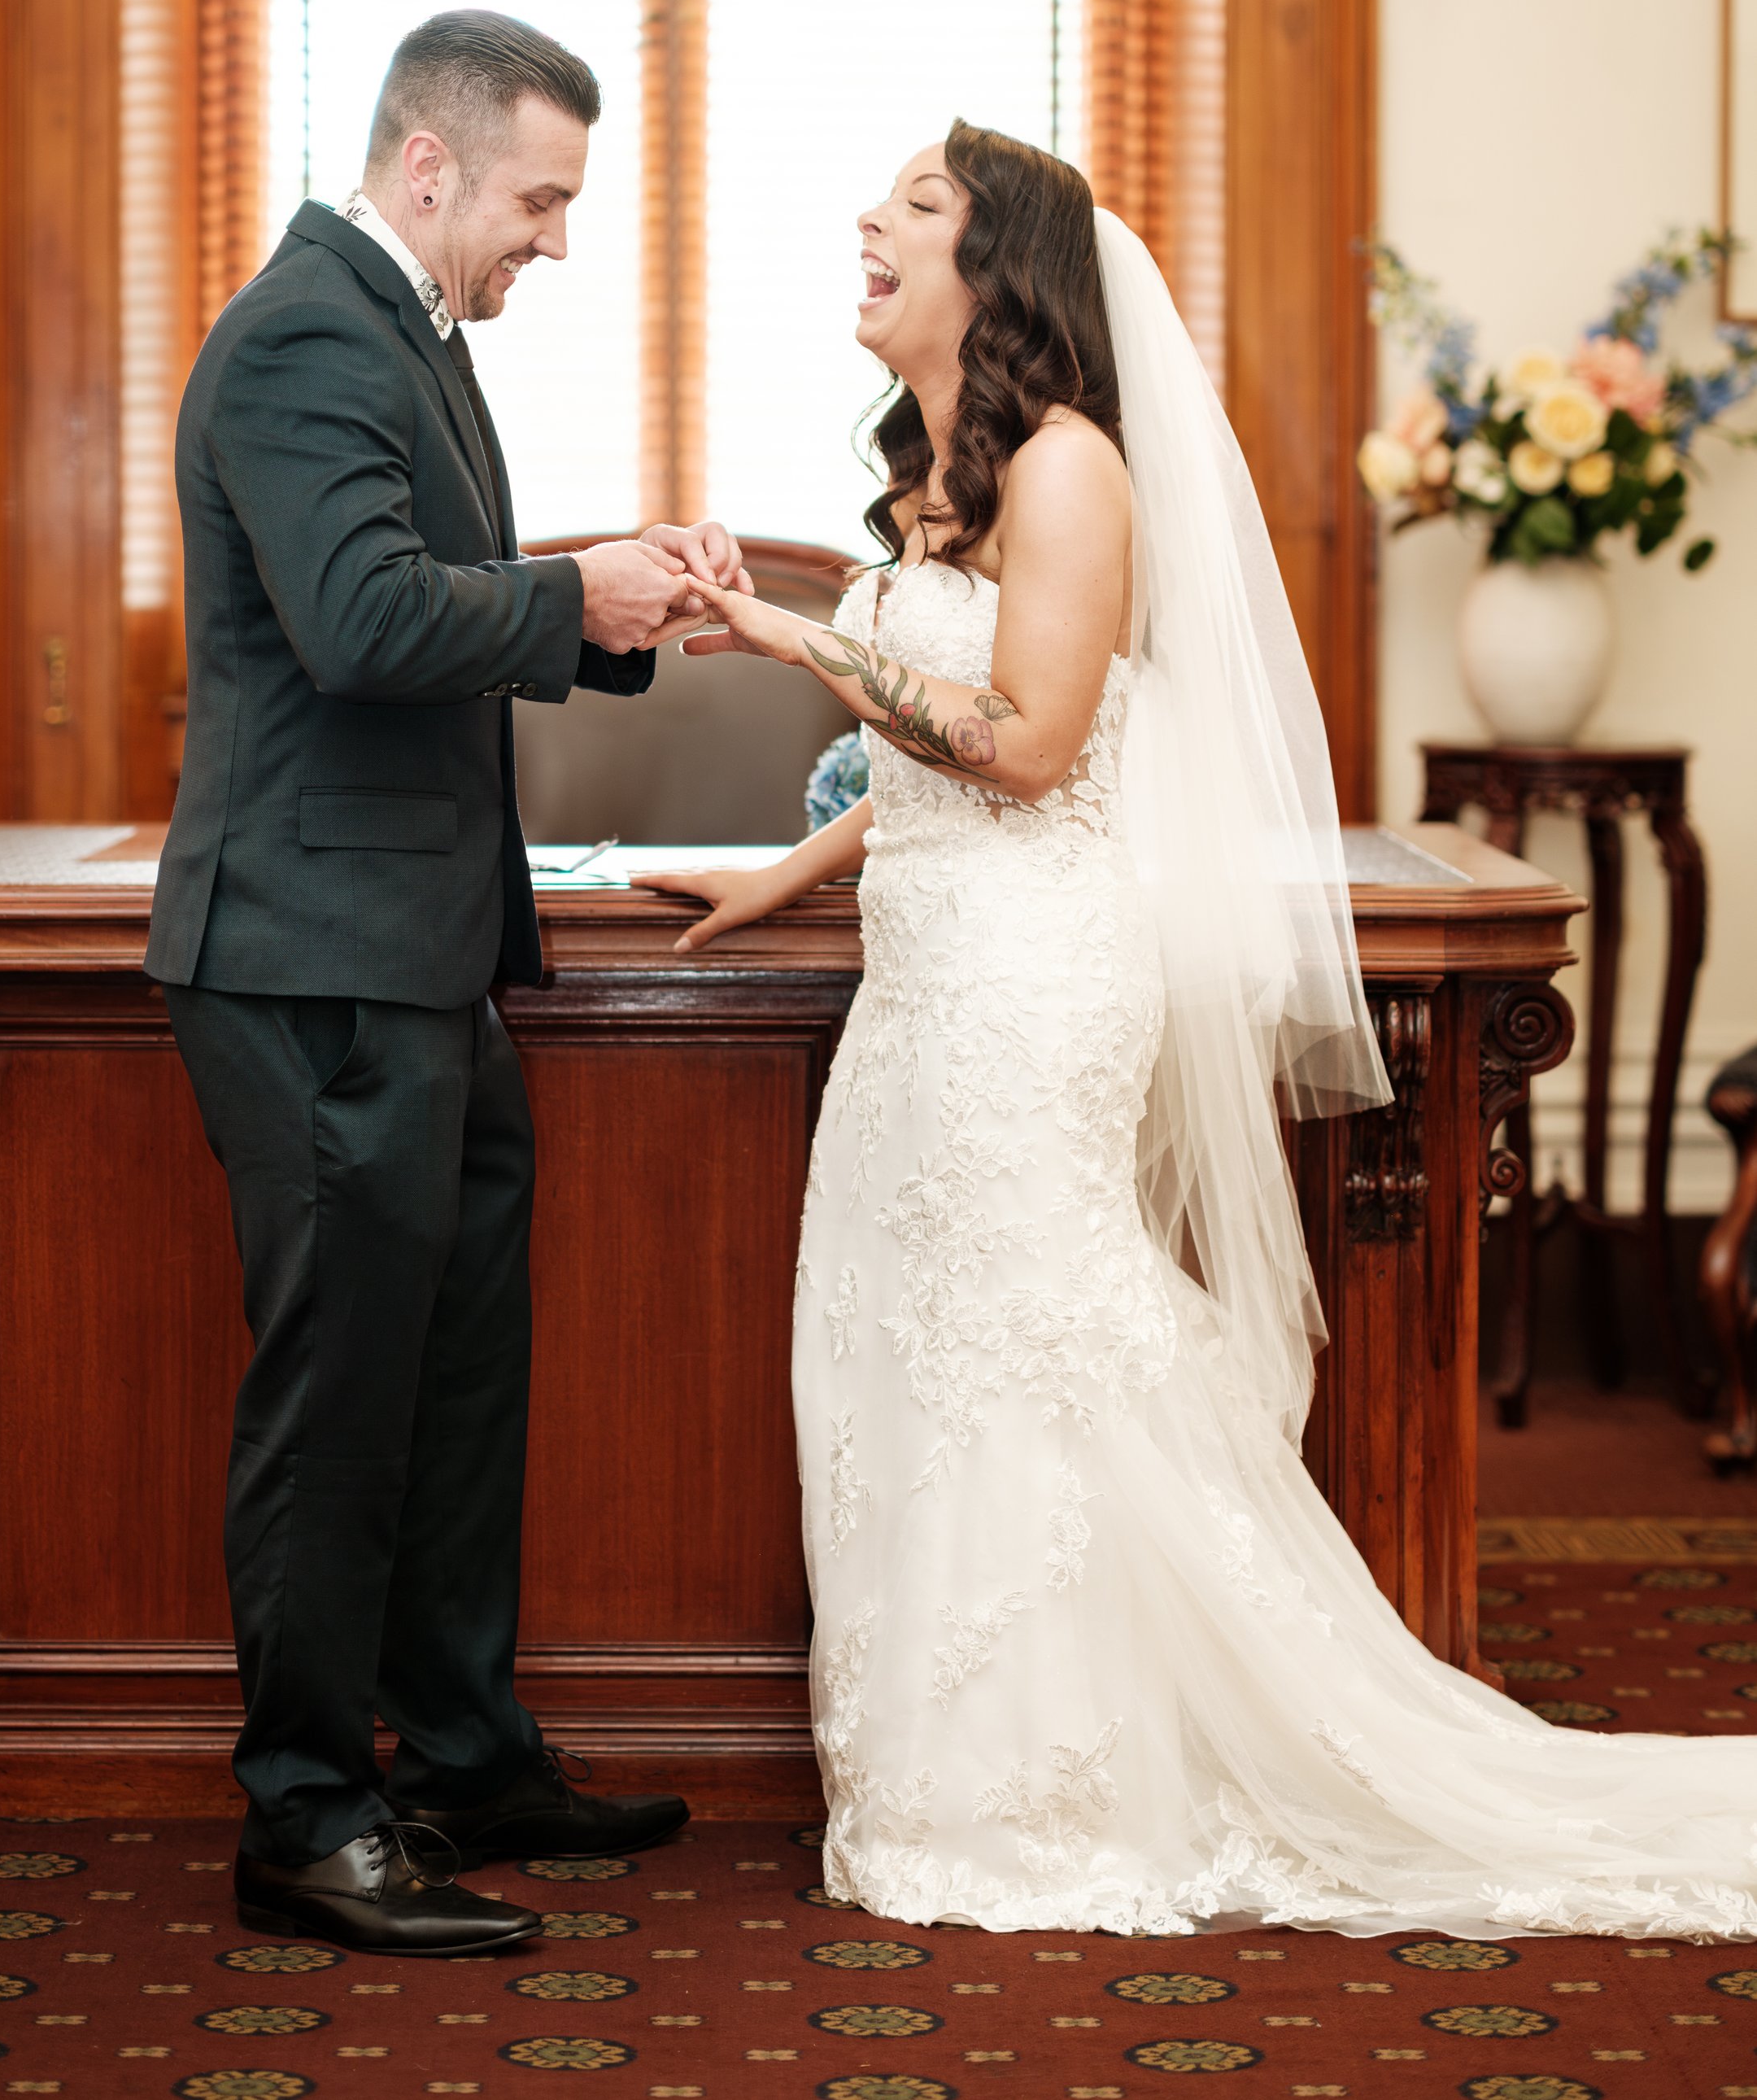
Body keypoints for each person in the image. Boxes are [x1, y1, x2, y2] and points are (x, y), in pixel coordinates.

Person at [634, 120, 1757, 1938]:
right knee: (907, 1346)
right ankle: (948, 1776)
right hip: (925, 984)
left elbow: (1030, 745)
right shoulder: (935, 478)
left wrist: (788, 637)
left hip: (1029, 986)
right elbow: (930, 765)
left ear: (998, 268)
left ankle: (1070, 1789)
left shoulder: (1071, 466)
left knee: (1029, 1346)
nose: (868, 220)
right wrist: (785, 873)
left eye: (914, 205)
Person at [148, 9, 741, 1955]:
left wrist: (611, 591)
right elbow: (356, 618)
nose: (555, 239)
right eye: (539, 199)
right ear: (429, 165)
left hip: (418, 958)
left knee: (454, 1377)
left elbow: (428, 578)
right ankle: (307, 1818)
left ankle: (466, 1759)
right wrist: (578, 597)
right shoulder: (306, 332)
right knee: (338, 1397)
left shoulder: (402, 329)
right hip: (311, 961)